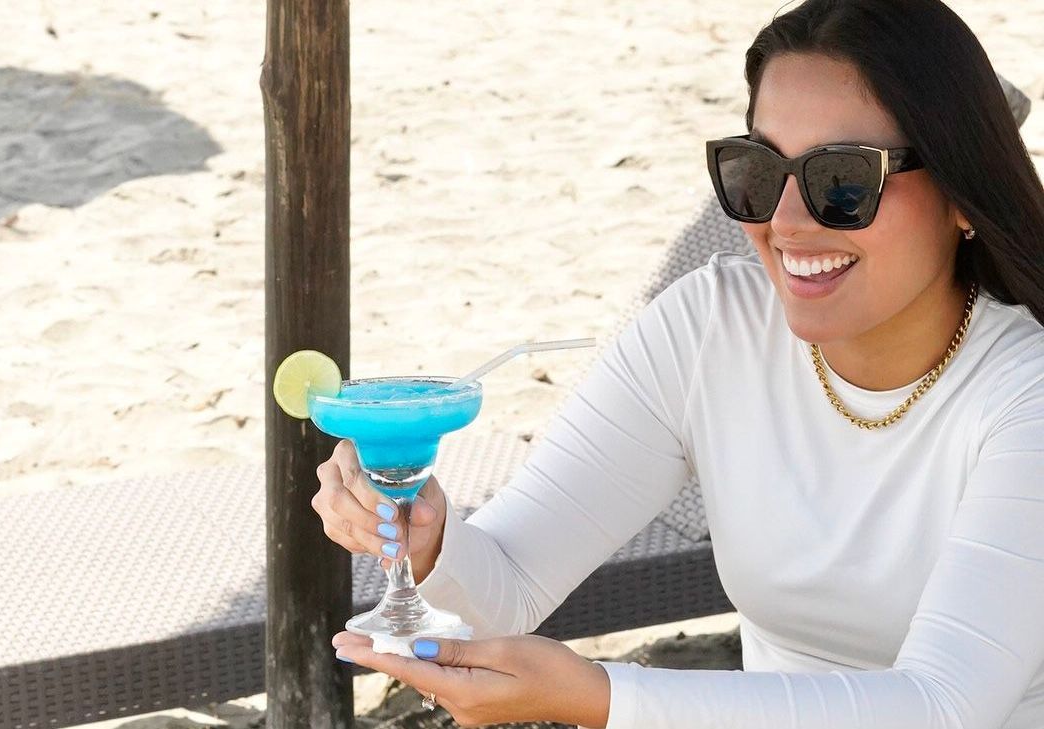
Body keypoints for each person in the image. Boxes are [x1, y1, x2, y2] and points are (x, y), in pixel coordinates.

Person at [315, 0, 1044, 726]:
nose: (784, 222)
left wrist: (603, 698)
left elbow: (942, 705)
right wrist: (435, 543)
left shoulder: (1026, 390)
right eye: (757, 172)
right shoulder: (709, 329)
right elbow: (507, 581)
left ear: (960, 192)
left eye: (843, 181)